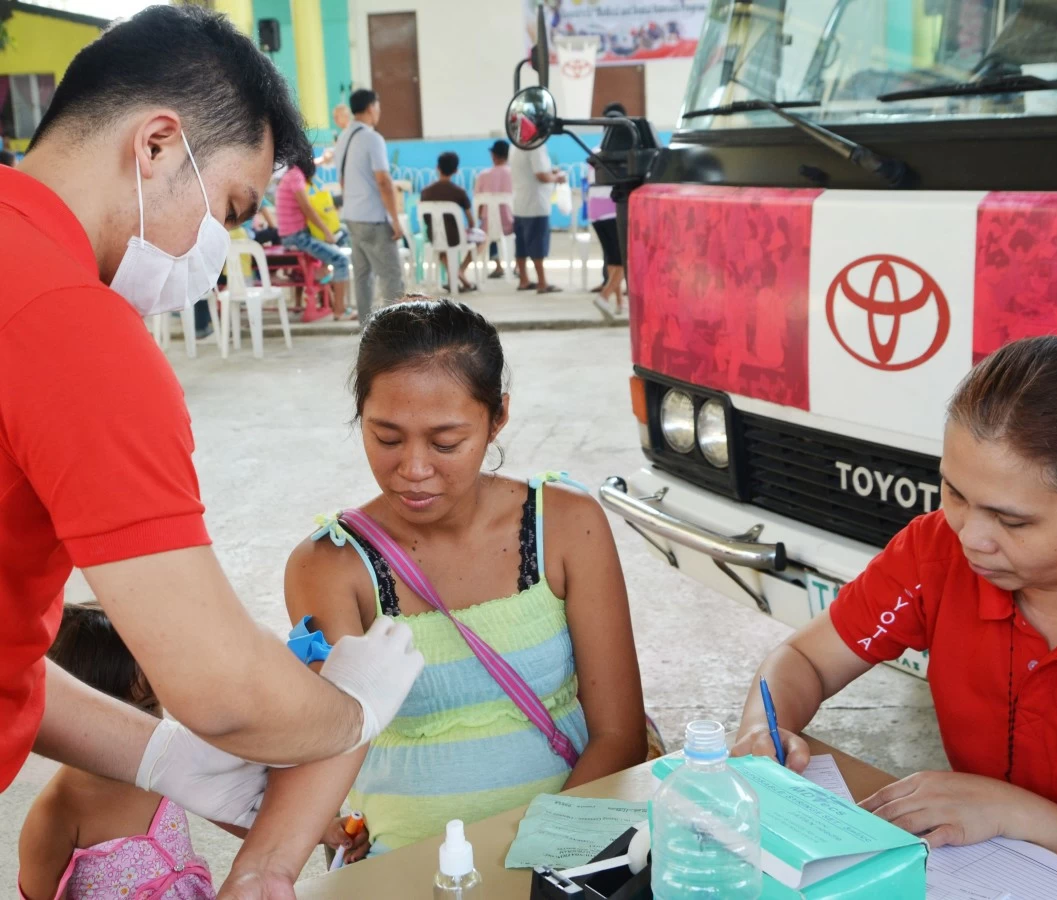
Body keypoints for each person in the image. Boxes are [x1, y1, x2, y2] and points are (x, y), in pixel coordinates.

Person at [1, 7, 423, 897]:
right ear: (157, 144)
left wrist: (158, 756)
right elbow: (221, 686)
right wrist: (351, 709)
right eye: (230, 207)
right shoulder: (74, 328)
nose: (220, 246)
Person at [734, 336, 1057, 900]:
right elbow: (806, 658)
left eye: (1013, 521)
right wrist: (762, 726)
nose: (971, 538)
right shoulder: (936, 552)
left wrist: (1015, 814)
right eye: (953, 491)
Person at [276, 299, 648, 855]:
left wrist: (539, 861)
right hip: (401, 868)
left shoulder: (566, 525)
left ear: (498, 417)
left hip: (566, 856)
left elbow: (620, 736)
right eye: (387, 437)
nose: (415, 468)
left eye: (446, 442)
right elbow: (330, 751)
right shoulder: (331, 565)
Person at [18, 603, 371, 900]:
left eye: (151, 706)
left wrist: (319, 827)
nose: (139, 728)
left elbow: (239, 810)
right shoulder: (54, 816)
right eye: (119, 714)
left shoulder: (166, 761)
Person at [334, 88, 406, 322]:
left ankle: (366, 329)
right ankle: (397, 331)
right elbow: (384, 181)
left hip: (352, 217)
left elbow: (343, 180)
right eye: (378, 106)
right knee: (392, 276)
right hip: (373, 219)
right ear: (370, 108)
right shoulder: (372, 138)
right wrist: (395, 219)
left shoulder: (343, 138)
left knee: (363, 277)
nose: (379, 112)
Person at [275, 154, 353, 320]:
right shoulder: (296, 177)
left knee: (343, 231)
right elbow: (307, 209)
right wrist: (325, 231)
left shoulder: (291, 174)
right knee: (341, 261)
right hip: (297, 237)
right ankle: (339, 310)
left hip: (293, 235)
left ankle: (323, 268)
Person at [511, 141, 566, 294]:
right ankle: (542, 283)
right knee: (537, 245)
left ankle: (524, 280)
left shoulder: (515, 145)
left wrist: (550, 173)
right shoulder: (535, 147)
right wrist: (557, 177)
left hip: (520, 203)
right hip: (536, 204)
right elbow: (541, 175)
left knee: (521, 245)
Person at [419, 151, 477, 293]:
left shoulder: (426, 192)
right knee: (481, 238)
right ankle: (460, 273)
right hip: (456, 238)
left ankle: (458, 277)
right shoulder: (459, 192)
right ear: (456, 171)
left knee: (442, 246)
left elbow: (426, 220)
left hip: (434, 237)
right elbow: (471, 222)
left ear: (437, 167)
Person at [589, 102, 626, 314]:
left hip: (596, 212)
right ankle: (605, 296)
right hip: (613, 210)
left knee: (613, 258)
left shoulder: (594, 151)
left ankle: (620, 303)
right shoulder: (621, 153)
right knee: (623, 260)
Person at [474, 139, 514, 279]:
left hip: (487, 227)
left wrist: (480, 217)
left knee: (488, 223)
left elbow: (477, 203)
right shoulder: (513, 174)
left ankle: (497, 265)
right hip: (511, 225)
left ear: (493, 155)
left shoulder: (483, 175)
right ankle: (518, 266)